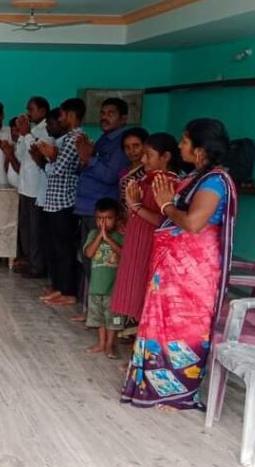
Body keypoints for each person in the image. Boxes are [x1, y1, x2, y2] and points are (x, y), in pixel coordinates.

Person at [121, 119, 237, 410]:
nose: (180, 145)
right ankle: (152, 386)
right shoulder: (194, 178)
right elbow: (167, 221)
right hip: (171, 269)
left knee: (183, 328)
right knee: (161, 325)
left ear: (200, 149)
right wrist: (137, 206)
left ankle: (178, 391)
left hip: (192, 273)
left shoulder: (214, 182)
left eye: (185, 141)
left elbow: (193, 223)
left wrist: (166, 204)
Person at [112, 133, 182, 323]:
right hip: (137, 243)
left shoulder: (167, 183)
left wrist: (136, 206)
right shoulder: (149, 179)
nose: (143, 160)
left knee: (144, 292)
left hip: (149, 246)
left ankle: (141, 334)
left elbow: (166, 221)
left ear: (165, 157)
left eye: (148, 155)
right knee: (133, 290)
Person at [74, 98, 130, 307]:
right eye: (103, 113)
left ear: (123, 119)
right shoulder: (102, 140)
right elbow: (83, 169)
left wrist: (89, 158)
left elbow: (110, 175)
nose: (105, 117)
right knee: (87, 256)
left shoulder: (120, 143)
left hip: (101, 211)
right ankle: (91, 308)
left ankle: (99, 310)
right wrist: (83, 159)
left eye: (111, 113)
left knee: (99, 261)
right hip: (87, 207)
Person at [37, 98, 86, 307]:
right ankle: (58, 286)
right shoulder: (68, 138)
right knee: (55, 248)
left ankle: (68, 291)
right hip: (54, 202)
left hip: (64, 203)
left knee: (64, 250)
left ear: (71, 115)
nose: (60, 119)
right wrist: (52, 158)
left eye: (62, 115)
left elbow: (57, 170)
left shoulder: (75, 138)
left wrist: (49, 158)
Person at [13, 97, 53, 278]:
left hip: (37, 189)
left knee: (36, 229)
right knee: (25, 227)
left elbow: (38, 153)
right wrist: (22, 135)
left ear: (43, 111)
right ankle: (29, 261)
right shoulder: (30, 130)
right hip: (25, 187)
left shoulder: (47, 130)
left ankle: (38, 266)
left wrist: (27, 133)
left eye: (31, 109)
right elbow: (21, 154)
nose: (28, 113)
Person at [83, 198, 126, 359]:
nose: (103, 222)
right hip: (96, 287)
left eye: (108, 218)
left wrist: (108, 239)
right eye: (100, 218)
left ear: (117, 218)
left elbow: (124, 254)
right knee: (99, 318)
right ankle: (101, 343)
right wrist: (100, 237)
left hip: (113, 289)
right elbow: (89, 253)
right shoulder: (93, 234)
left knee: (113, 319)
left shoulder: (120, 236)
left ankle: (109, 345)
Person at [117, 126, 149, 207]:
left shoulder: (149, 171)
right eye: (127, 147)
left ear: (146, 146)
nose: (131, 151)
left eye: (136, 146)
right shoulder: (124, 172)